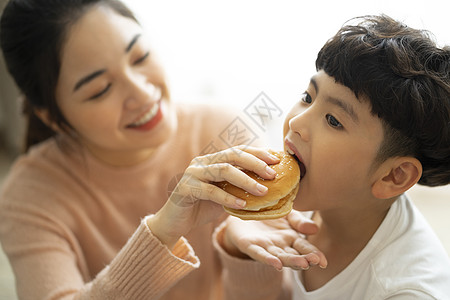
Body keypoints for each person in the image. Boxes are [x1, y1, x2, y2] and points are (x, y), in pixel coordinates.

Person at [0, 1, 325, 299]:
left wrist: (238, 252)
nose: (141, 94)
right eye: (100, 90)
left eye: (140, 56)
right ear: (53, 117)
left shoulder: (225, 129)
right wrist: (162, 230)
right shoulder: (28, 196)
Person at [213, 15, 450, 299]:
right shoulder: (298, 205)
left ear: (393, 176)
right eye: (308, 97)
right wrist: (238, 245)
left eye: (333, 121)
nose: (297, 123)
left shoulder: (405, 291)